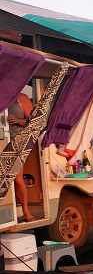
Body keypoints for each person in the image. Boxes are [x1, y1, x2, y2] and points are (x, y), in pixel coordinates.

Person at [8, 93, 35, 222]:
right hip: (3, 142)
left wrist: (17, 120)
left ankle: (26, 211)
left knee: (17, 179)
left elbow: (34, 122)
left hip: (18, 143)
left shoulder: (21, 97)